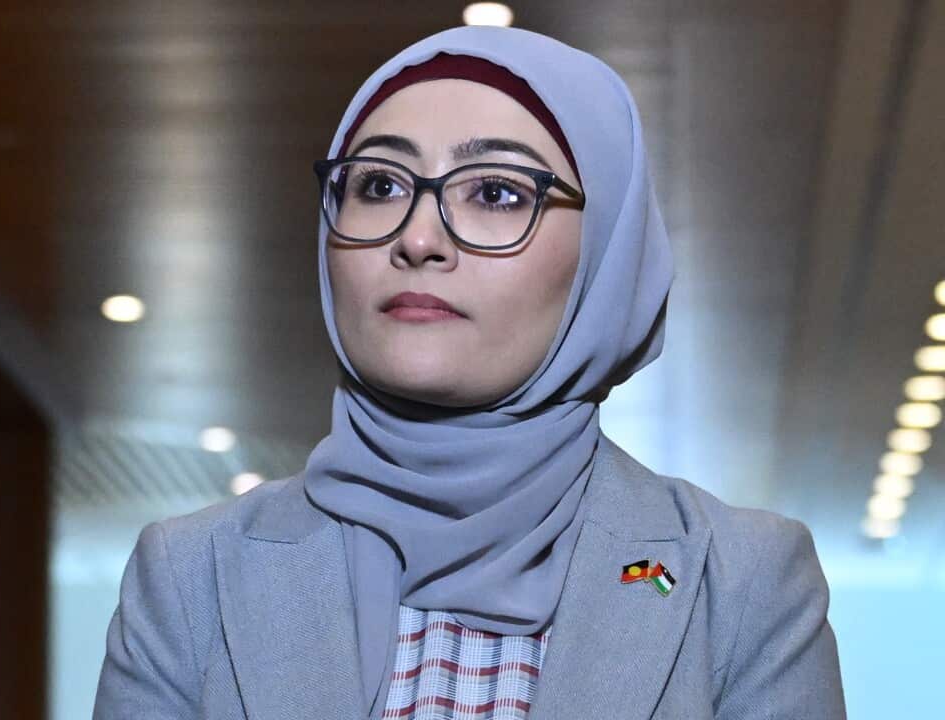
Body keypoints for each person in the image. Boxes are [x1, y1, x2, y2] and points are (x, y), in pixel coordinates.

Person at [92, 24, 846, 720]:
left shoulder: (737, 579)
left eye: (495, 193)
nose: (419, 239)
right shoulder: (192, 574)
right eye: (380, 185)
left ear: (605, 259)